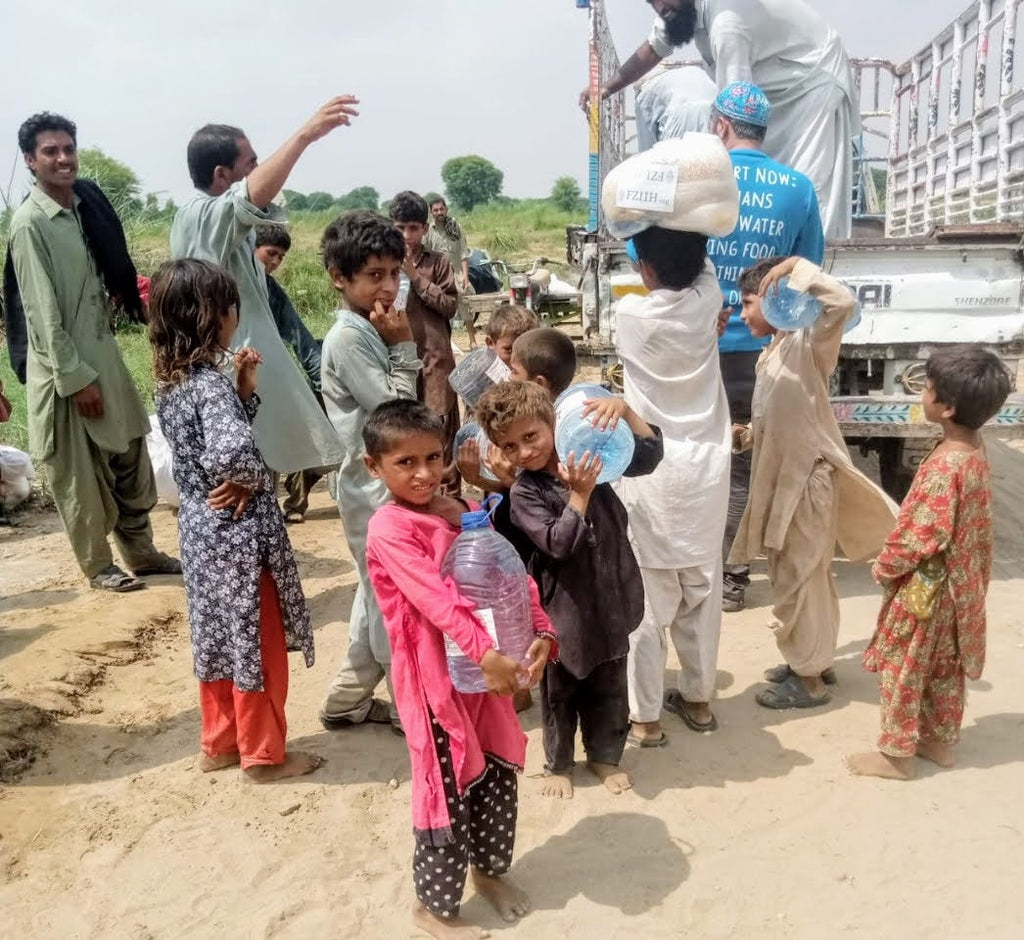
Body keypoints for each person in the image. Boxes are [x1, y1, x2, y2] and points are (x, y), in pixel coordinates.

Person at [362, 399, 556, 938]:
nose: (424, 474)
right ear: (373, 466)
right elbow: (436, 603)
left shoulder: (458, 511)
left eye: (433, 458)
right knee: (444, 785)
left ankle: (489, 874)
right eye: (406, 463)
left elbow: (511, 578)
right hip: (435, 682)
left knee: (494, 770)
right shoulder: (388, 529)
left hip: (483, 673)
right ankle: (435, 908)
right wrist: (487, 654)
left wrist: (540, 630)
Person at [148, 258, 320, 782]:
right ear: (213, 318)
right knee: (257, 638)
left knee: (218, 637)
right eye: (229, 309)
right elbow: (231, 452)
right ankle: (264, 754)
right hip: (240, 536)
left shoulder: (172, 385)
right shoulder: (208, 385)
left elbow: (206, 443)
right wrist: (248, 477)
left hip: (201, 533)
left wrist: (242, 387)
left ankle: (219, 743)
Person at [8, 112, 180, 592]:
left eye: (68, 148)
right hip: (65, 371)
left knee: (131, 455)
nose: (63, 159)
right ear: (31, 160)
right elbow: (41, 316)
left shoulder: (86, 208)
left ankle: (142, 554)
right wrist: (76, 378)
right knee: (78, 474)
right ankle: (98, 565)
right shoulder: (30, 225)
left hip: (105, 357)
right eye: (50, 151)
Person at [477, 377, 664, 800]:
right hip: (562, 607)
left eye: (531, 436)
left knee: (611, 681)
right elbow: (558, 545)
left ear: (551, 423)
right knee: (561, 690)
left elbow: (650, 456)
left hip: (612, 591)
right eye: (510, 447)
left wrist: (625, 410)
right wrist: (579, 496)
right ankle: (559, 764)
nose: (524, 452)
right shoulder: (526, 490)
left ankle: (605, 756)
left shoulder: (590, 451)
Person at [730, 256, 897, 709]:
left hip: (805, 483)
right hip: (787, 484)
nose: (743, 315)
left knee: (799, 579)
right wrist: (745, 437)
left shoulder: (808, 344)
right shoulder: (775, 351)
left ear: (774, 300)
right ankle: (816, 661)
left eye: (748, 303)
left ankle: (808, 682)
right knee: (809, 578)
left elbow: (840, 302)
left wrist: (795, 268)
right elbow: (783, 418)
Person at [170, 97, 358, 475]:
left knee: (260, 480)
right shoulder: (200, 214)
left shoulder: (226, 224)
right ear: (223, 175)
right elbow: (249, 198)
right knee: (238, 483)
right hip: (226, 378)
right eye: (250, 164)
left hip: (247, 375)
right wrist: (305, 136)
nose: (257, 170)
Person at [846, 347, 1011, 780]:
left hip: (928, 591)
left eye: (929, 388)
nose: (924, 392)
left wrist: (884, 566)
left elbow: (923, 533)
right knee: (943, 668)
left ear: (947, 407)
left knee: (903, 666)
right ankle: (938, 742)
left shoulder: (944, 466)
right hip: (961, 588)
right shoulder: (973, 447)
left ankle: (896, 755)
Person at [586, 0, 857, 239]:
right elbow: (654, 48)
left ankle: (818, 272)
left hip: (813, 84)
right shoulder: (678, 10)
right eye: (651, 2)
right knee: (763, 180)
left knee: (806, 187)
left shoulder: (727, 24)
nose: (659, 8)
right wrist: (607, 87)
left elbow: (734, 114)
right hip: (775, 87)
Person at [707, 81, 825, 613]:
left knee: (691, 455)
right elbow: (809, 273)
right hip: (761, 350)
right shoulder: (798, 188)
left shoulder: (701, 179)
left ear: (721, 126)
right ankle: (733, 577)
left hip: (699, 345)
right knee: (742, 464)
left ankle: (696, 571)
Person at [615, 226, 731, 745]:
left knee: (644, 607)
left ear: (647, 268)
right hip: (706, 475)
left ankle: (645, 720)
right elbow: (705, 271)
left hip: (651, 474)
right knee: (702, 598)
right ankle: (700, 702)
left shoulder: (631, 316)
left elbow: (681, 268)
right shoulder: (709, 303)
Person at [317, 211, 422, 735]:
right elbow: (394, 413)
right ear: (341, 278)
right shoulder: (351, 338)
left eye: (393, 274)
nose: (387, 286)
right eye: (374, 275)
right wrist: (404, 347)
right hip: (371, 485)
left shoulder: (367, 327)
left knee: (374, 589)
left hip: (377, 482)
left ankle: (346, 700)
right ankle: (408, 706)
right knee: (392, 594)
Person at [252, 224, 329, 523]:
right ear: (251, 249)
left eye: (280, 258)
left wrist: (323, 381)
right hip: (229, 382)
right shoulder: (226, 282)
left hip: (266, 382)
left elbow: (299, 336)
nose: (274, 262)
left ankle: (270, 515)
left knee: (270, 447)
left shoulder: (271, 291)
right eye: (270, 253)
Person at [388, 192, 461, 494]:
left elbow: (449, 306)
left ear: (425, 229)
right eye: (401, 228)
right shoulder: (385, 266)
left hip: (435, 362)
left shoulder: (438, 263)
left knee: (440, 431)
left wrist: (414, 276)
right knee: (405, 431)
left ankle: (451, 501)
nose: (407, 235)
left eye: (414, 228)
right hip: (400, 362)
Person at [424, 193, 478, 348]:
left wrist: (466, 276)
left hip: (457, 273)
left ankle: (472, 340)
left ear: (446, 209)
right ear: (431, 212)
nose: (439, 212)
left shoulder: (455, 227)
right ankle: (446, 342)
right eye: (436, 210)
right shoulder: (428, 231)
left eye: (442, 209)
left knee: (465, 304)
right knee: (441, 308)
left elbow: (463, 253)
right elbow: (425, 254)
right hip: (438, 275)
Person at [635, 63, 716, 151]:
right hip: (714, 107)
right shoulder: (680, 74)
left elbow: (646, 146)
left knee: (674, 161)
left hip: (681, 113)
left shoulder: (644, 92)